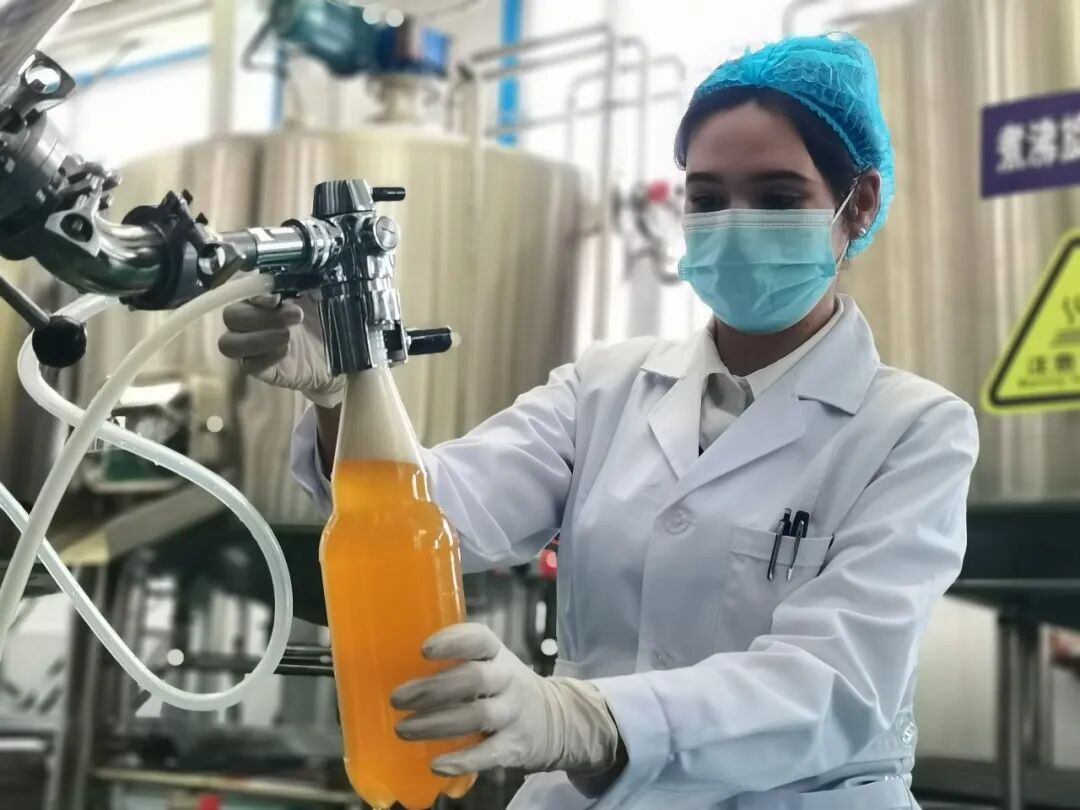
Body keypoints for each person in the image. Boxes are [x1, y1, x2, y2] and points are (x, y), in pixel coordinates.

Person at [218, 32, 978, 810]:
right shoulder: (605, 387)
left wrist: (586, 719)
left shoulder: (912, 429)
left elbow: (838, 684)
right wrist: (349, 392)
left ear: (859, 204)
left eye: (778, 197)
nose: (735, 224)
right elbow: (437, 519)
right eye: (707, 198)